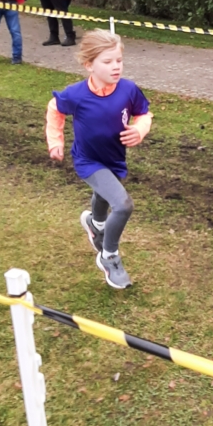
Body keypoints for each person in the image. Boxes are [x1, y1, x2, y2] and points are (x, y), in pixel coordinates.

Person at [45, 30, 152, 290]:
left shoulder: (128, 89)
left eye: (119, 60)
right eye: (108, 61)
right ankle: (109, 256)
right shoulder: (76, 94)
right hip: (88, 161)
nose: (116, 66)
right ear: (89, 65)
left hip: (114, 158)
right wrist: (55, 141)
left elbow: (144, 114)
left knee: (104, 194)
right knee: (123, 205)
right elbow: (54, 109)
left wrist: (139, 130)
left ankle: (95, 223)